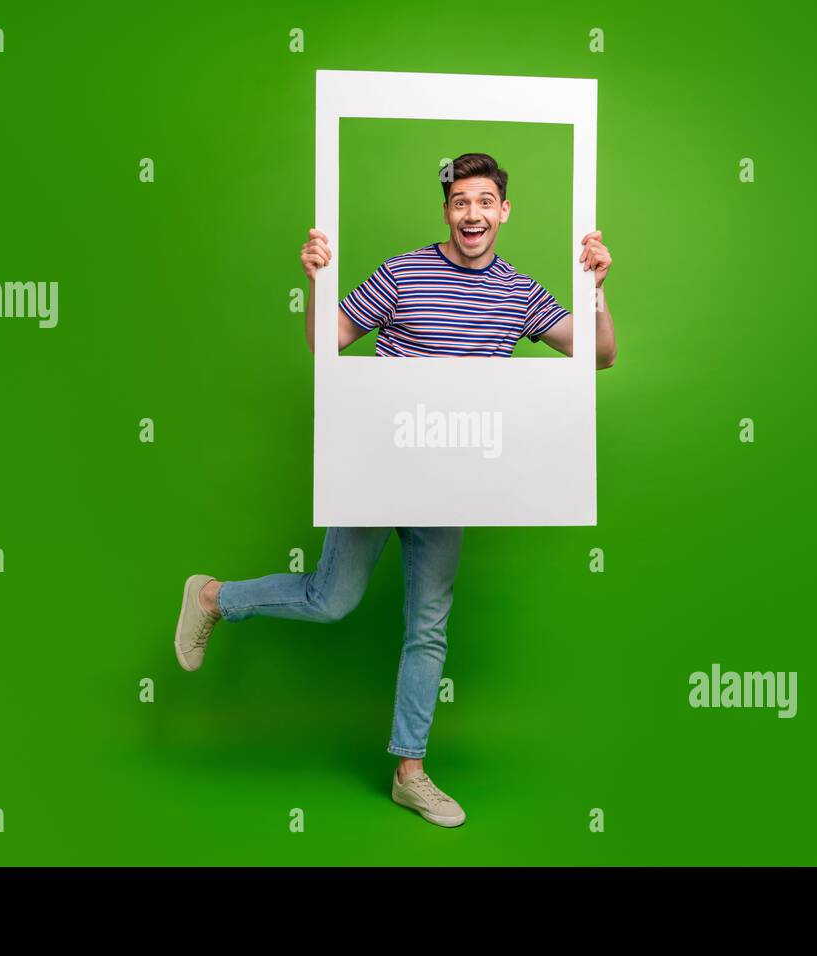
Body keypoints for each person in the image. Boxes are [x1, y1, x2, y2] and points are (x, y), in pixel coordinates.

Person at [173, 153, 616, 827]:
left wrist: (597, 288)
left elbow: (601, 354)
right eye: (460, 201)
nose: (473, 214)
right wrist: (316, 283)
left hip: (453, 477)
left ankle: (410, 771)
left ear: (504, 210)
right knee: (331, 601)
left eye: (485, 201)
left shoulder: (521, 292)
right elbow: (331, 345)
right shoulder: (403, 273)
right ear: (447, 210)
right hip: (378, 461)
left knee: (428, 627)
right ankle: (213, 596)